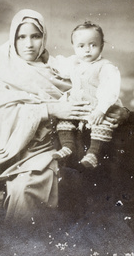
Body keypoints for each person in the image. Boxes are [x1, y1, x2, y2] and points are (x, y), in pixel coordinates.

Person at [0, 10, 128, 227]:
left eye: (36, 36)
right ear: (12, 37)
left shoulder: (58, 69)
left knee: (26, 188)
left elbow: (93, 89)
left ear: (44, 38)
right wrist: (50, 109)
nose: (29, 44)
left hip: (39, 148)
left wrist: (120, 111)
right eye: (21, 37)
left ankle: (22, 245)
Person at [52, 21, 122, 169]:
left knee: (103, 123)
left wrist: (101, 109)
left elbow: (109, 89)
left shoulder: (106, 67)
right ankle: (68, 146)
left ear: (101, 46)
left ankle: (93, 154)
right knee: (64, 120)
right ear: (74, 47)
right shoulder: (75, 63)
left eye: (93, 45)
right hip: (79, 106)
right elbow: (61, 68)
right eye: (81, 46)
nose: (87, 50)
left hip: (98, 107)